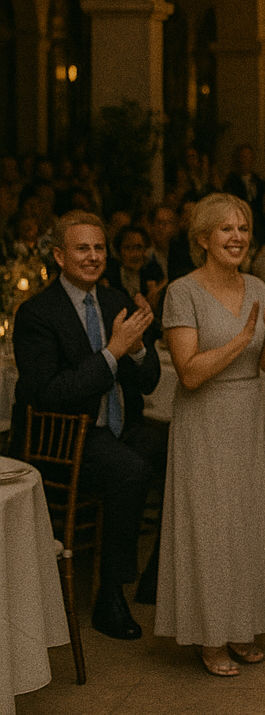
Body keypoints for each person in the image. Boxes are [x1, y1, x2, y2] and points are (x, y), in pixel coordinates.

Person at [155, 193, 265, 677]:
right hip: (205, 420)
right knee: (209, 526)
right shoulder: (182, 293)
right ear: (203, 239)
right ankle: (209, 636)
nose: (237, 238)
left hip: (250, 415)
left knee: (246, 522)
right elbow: (189, 373)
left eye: (243, 229)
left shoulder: (257, 285)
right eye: (226, 230)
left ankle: (241, 627)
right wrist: (242, 336)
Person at [11, 210, 160, 640]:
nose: (93, 257)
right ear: (59, 255)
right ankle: (109, 597)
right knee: (127, 471)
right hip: (63, 437)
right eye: (82, 248)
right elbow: (49, 393)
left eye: (98, 248)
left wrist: (134, 353)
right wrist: (113, 352)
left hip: (117, 425)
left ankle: (156, 577)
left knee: (185, 447)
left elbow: (149, 380)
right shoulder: (36, 314)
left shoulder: (117, 302)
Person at [104, 224, 167, 311]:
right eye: (128, 248)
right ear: (119, 252)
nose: (134, 254)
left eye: (138, 247)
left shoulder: (152, 276)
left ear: (145, 251)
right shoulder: (110, 279)